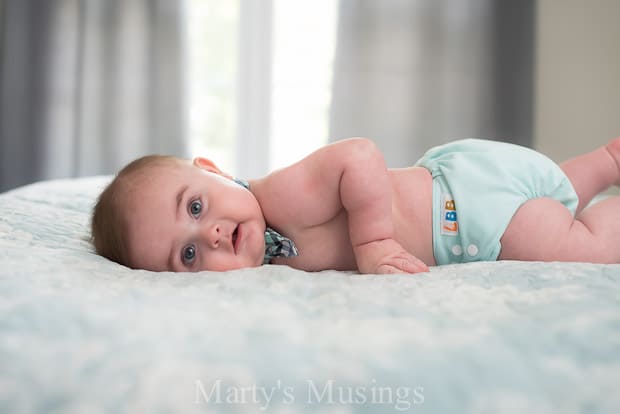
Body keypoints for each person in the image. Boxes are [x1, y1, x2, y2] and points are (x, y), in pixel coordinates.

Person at [91, 137, 620, 274]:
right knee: (553, 204)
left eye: (197, 206)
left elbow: (358, 156)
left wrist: (374, 241)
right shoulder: (265, 258)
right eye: (186, 256)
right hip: (469, 183)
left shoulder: (277, 195)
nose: (205, 236)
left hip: (463, 213)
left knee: (575, 246)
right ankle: (604, 161)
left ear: (211, 170)